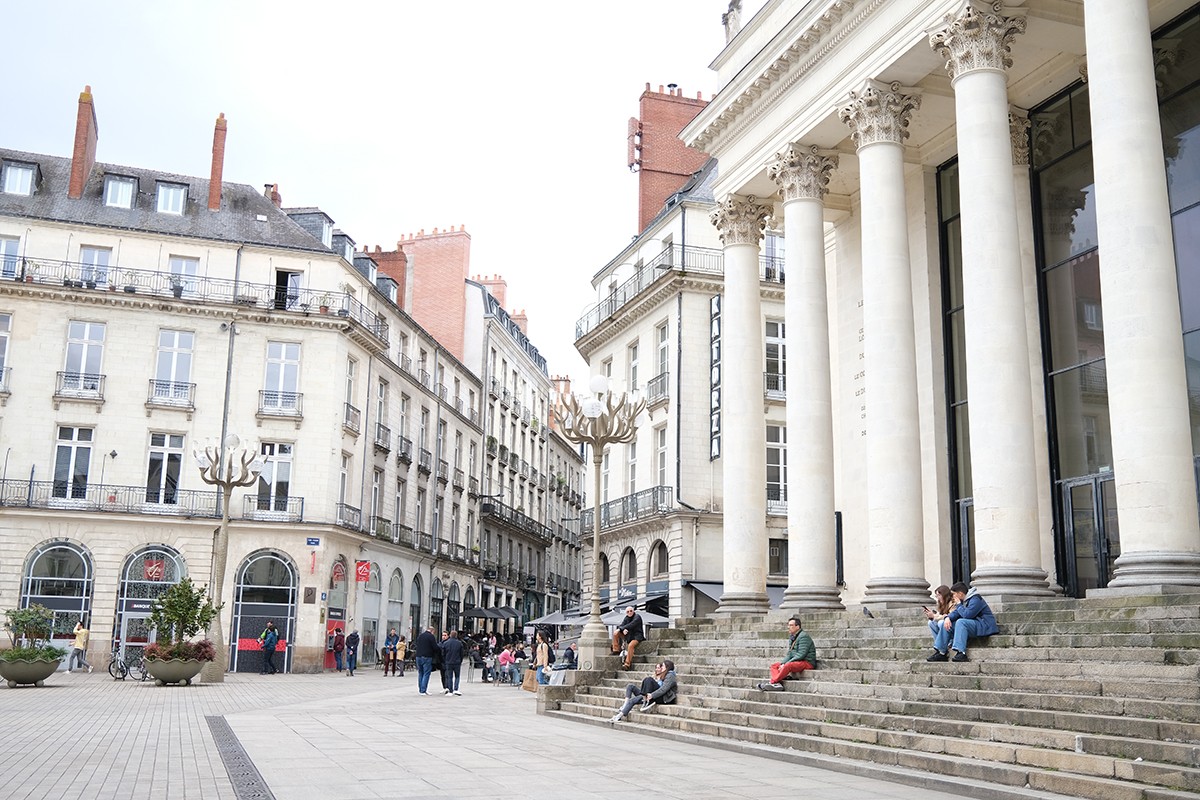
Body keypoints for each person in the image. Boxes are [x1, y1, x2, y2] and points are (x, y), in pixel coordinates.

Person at [929, 581, 997, 662]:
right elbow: (956, 613)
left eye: (953, 594)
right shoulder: (963, 601)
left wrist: (958, 604)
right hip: (974, 624)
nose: (952, 597)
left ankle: (961, 652)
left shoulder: (975, 599)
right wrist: (947, 617)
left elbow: (967, 615)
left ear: (960, 594)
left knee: (961, 622)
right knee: (946, 623)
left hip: (985, 625)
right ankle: (941, 652)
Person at [757, 616, 816, 691]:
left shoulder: (803, 637)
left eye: (791, 625)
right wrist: (782, 663)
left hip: (807, 662)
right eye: (788, 625)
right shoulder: (793, 637)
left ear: (797, 627)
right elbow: (789, 654)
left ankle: (773, 682)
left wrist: (786, 664)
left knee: (787, 666)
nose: (789, 627)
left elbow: (801, 654)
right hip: (797, 661)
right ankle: (777, 683)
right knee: (775, 666)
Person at [610, 659, 678, 722]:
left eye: (663, 666)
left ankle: (619, 716)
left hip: (664, 698)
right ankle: (643, 699)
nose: (661, 667)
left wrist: (652, 695)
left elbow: (664, 689)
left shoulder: (670, 676)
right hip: (654, 695)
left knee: (635, 698)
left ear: (667, 667)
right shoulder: (665, 675)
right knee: (644, 681)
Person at [923, 585, 958, 654]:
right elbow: (940, 615)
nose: (938, 598)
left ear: (944, 595)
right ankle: (938, 646)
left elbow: (950, 616)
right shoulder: (940, 604)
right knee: (931, 623)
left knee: (941, 623)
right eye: (936, 596)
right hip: (945, 626)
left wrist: (934, 616)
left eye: (939, 595)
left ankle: (943, 647)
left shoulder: (953, 603)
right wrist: (931, 615)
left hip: (952, 626)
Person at [414, 625, 439, 695]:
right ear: (432, 631)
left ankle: (421, 689)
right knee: (426, 673)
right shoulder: (431, 637)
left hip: (418, 656)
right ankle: (423, 690)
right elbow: (435, 647)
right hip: (427, 657)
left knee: (420, 673)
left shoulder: (420, 636)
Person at [441, 629, 465, 695]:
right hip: (457, 662)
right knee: (457, 676)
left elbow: (443, 653)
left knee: (449, 676)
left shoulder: (446, 643)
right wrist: (460, 660)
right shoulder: (459, 643)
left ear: (450, 635)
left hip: (448, 662)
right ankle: (456, 689)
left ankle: (450, 690)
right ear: (456, 635)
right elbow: (462, 653)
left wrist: (445, 660)